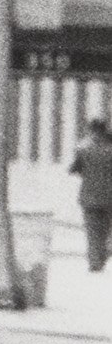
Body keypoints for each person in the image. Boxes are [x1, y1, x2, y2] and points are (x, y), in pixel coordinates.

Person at [70, 115, 112, 273]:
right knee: (106, 229)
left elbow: (74, 169)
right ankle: (103, 254)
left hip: (89, 197)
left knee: (92, 231)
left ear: (91, 130)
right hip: (109, 197)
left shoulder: (83, 149)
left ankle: (95, 262)